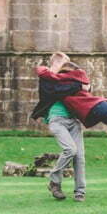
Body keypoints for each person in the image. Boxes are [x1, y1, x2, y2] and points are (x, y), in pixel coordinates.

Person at [30, 53, 87, 202]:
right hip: (57, 120)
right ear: (57, 62)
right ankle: (54, 180)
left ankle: (80, 192)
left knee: (79, 157)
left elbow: (84, 90)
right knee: (70, 150)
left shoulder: (68, 78)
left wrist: (85, 86)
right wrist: (78, 85)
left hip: (74, 120)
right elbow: (57, 90)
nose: (67, 67)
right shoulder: (46, 78)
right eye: (65, 63)